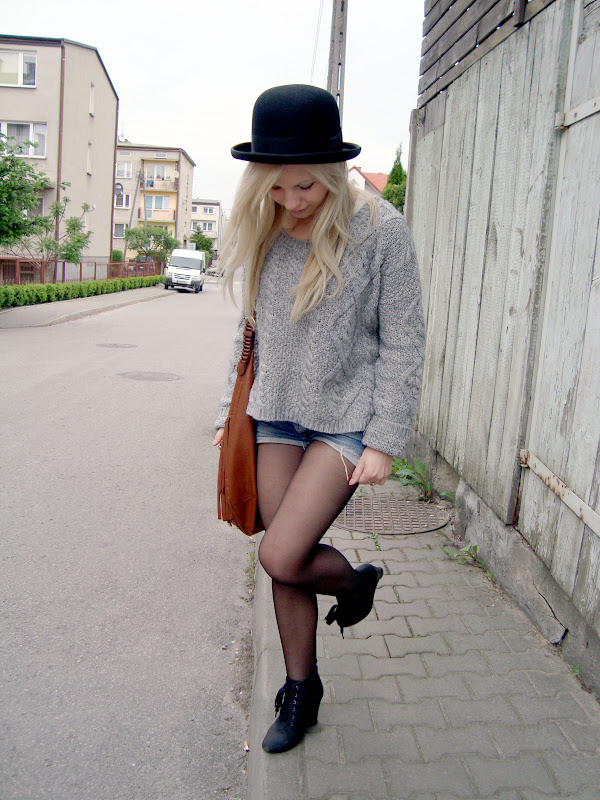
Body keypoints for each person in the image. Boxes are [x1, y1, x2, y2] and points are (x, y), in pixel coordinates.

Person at [213, 84, 425, 754]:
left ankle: (355, 585)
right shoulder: (265, 225)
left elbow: (405, 341)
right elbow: (250, 329)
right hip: (275, 414)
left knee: (281, 553)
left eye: (305, 186)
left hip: (344, 422)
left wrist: (384, 439)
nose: (292, 201)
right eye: (276, 188)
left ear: (334, 171)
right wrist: (228, 413)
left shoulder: (382, 230)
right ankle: (302, 688)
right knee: (288, 559)